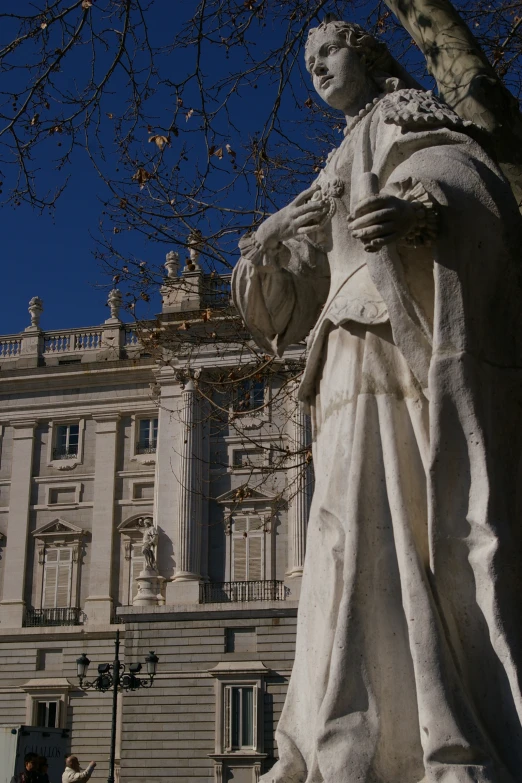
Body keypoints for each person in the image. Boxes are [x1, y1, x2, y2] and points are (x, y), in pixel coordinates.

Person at [233, 16, 522, 783]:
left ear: (364, 52)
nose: (316, 69)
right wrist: (267, 245)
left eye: (326, 52)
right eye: (307, 61)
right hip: (336, 356)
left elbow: (472, 182)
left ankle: (431, 737)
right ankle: (324, 735)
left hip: (392, 328)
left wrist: (420, 211)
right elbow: (281, 305)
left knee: (388, 526)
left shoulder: (404, 113)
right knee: (335, 541)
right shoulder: (334, 159)